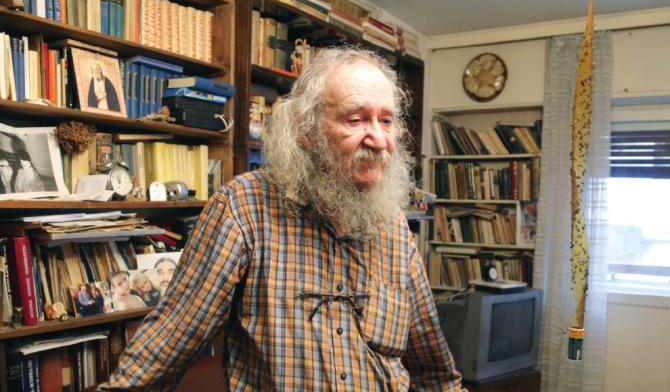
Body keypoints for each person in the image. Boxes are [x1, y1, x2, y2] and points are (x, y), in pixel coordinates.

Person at [97, 48, 463, 391]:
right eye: (356, 120)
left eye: (386, 121)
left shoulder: (394, 224)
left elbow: (435, 371)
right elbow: (171, 339)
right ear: (306, 130)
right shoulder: (244, 206)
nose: (379, 140)